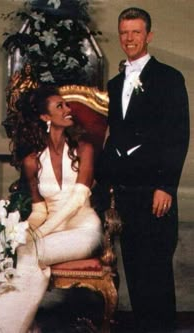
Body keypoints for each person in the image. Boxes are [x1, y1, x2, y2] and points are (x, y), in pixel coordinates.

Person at [96, 7, 189, 333]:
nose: (129, 38)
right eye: (124, 32)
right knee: (134, 271)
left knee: (156, 273)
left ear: (148, 35)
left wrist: (166, 186)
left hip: (155, 191)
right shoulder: (114, 82)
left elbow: (177, 136)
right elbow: (115, 138)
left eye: (136, 32)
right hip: (125, 193)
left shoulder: (169, 79)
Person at [0, 86, 102, 332]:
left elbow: (77, 200)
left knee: (27, 254)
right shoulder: (33, 161)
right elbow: (39, 210)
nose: (68, 110)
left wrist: (40, 233)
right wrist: (19, 233)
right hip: (52, 231)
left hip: (84, 230)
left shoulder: (84, 148)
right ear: (45, 118)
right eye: (60, 106)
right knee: (13, 253)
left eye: (67, 105)